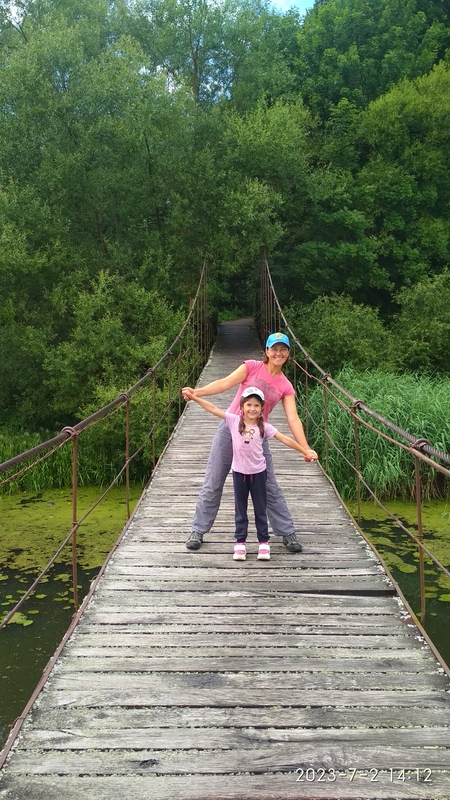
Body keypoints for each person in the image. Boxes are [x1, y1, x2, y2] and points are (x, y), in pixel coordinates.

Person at [182, 331, 318, 552]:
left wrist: (305, 448)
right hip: (230, 430)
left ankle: (287, 532)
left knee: (269, 485)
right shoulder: (252, 367)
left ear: (288, 354)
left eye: (283, 349)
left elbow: (293, 418)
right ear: (267, 351)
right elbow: (224, 383)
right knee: (213, 481)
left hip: (258, 436)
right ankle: (198, 530)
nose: (278, 353)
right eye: (274, 349)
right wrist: (197, 392)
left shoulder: (285, 386)